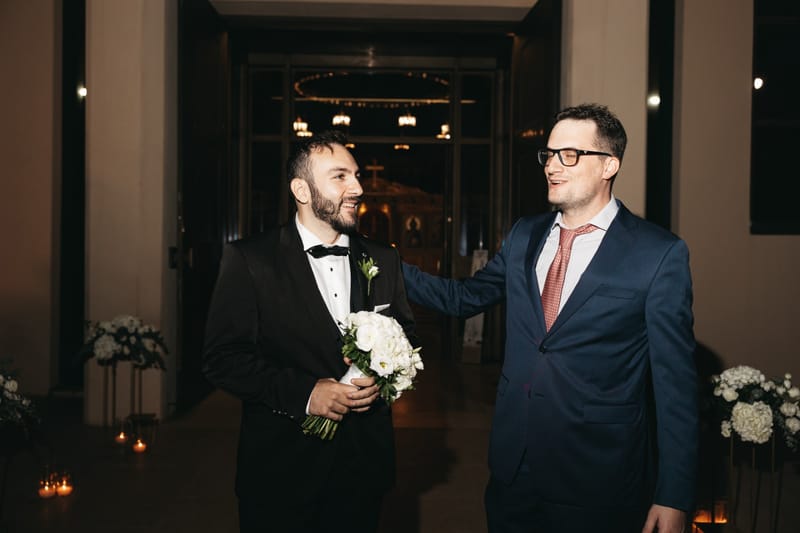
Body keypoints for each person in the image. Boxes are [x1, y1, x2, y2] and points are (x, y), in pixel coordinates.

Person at [403, 104, 697, 533]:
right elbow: (463, 298)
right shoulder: (525, 234)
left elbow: (676, 386)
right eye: (549, 154)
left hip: (597, 474)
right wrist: (385, 265)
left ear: (609, 165)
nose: (553, 166)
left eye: (570, 155)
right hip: (514, 465)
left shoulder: (658, 254)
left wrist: (674, 495)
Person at [202, 130, 418, 533]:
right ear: (301, 189)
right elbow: (222, 359)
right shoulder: (250, 260)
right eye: (340, 177)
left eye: (356, 175)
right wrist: (305, 394)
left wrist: (383, 374)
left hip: (362, 468)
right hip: (281, 470)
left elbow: (404, 330)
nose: (357, 187)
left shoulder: (383, 259)